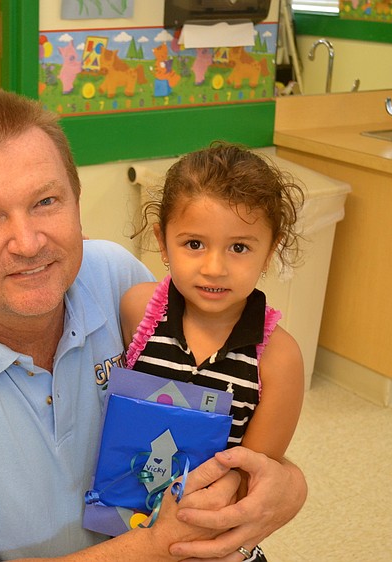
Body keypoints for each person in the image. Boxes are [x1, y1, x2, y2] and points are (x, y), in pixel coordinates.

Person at [0, 89, 308, 562]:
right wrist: (154, 546)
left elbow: (215, 426)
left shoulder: (118, 281)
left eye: (45, 201)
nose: (28, 243)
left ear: (77, 203)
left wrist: (289, 485)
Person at [121, 143, 306, 561]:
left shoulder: (278, 359)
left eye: (239, 247)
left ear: (270, 249)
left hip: (213, 543)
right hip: (125, 529)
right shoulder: (138, 310)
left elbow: (250, 481)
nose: (214, 268)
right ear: (162, 242)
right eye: (194, 244)